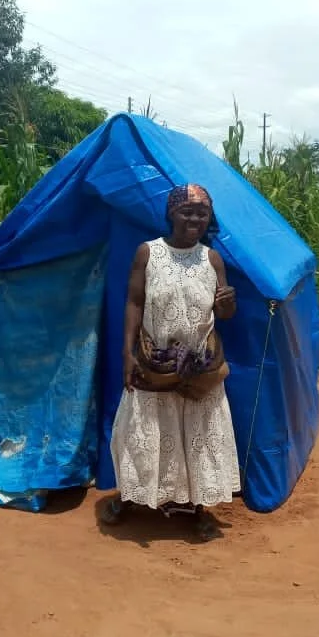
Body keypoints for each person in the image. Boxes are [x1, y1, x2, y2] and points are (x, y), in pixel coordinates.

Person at [102, 183, 240, 542]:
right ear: (171, 214)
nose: (195, 218)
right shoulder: (148, 253)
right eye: (187, 211)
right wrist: (126, 353)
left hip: (200, 365)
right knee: (143, 434)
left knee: (199, 438)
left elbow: (224, 313)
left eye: (202, 213)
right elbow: (134, 302)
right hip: (154, 363)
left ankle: (198, 507)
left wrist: (227, 304)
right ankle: (134, 497)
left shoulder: (212, 259)